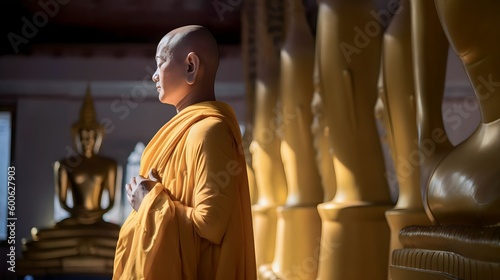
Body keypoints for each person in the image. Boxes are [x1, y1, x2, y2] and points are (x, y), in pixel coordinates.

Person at [113, 25, 257, 280]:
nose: (154, 76)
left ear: (190, 66)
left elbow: (210, 225)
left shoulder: (209, 131)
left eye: (160, 64)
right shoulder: (188, 130)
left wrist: (150, 202)